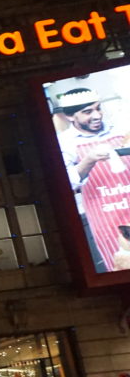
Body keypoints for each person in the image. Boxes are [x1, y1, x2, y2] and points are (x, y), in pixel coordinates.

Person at [56, 87, 130, 272]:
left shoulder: (120, 131)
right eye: (87, 112)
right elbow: (64, 184)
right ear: (70, 116)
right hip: (107, 219)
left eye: (98, 108)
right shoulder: (64, 143)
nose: (97, 115)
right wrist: (89, 160)